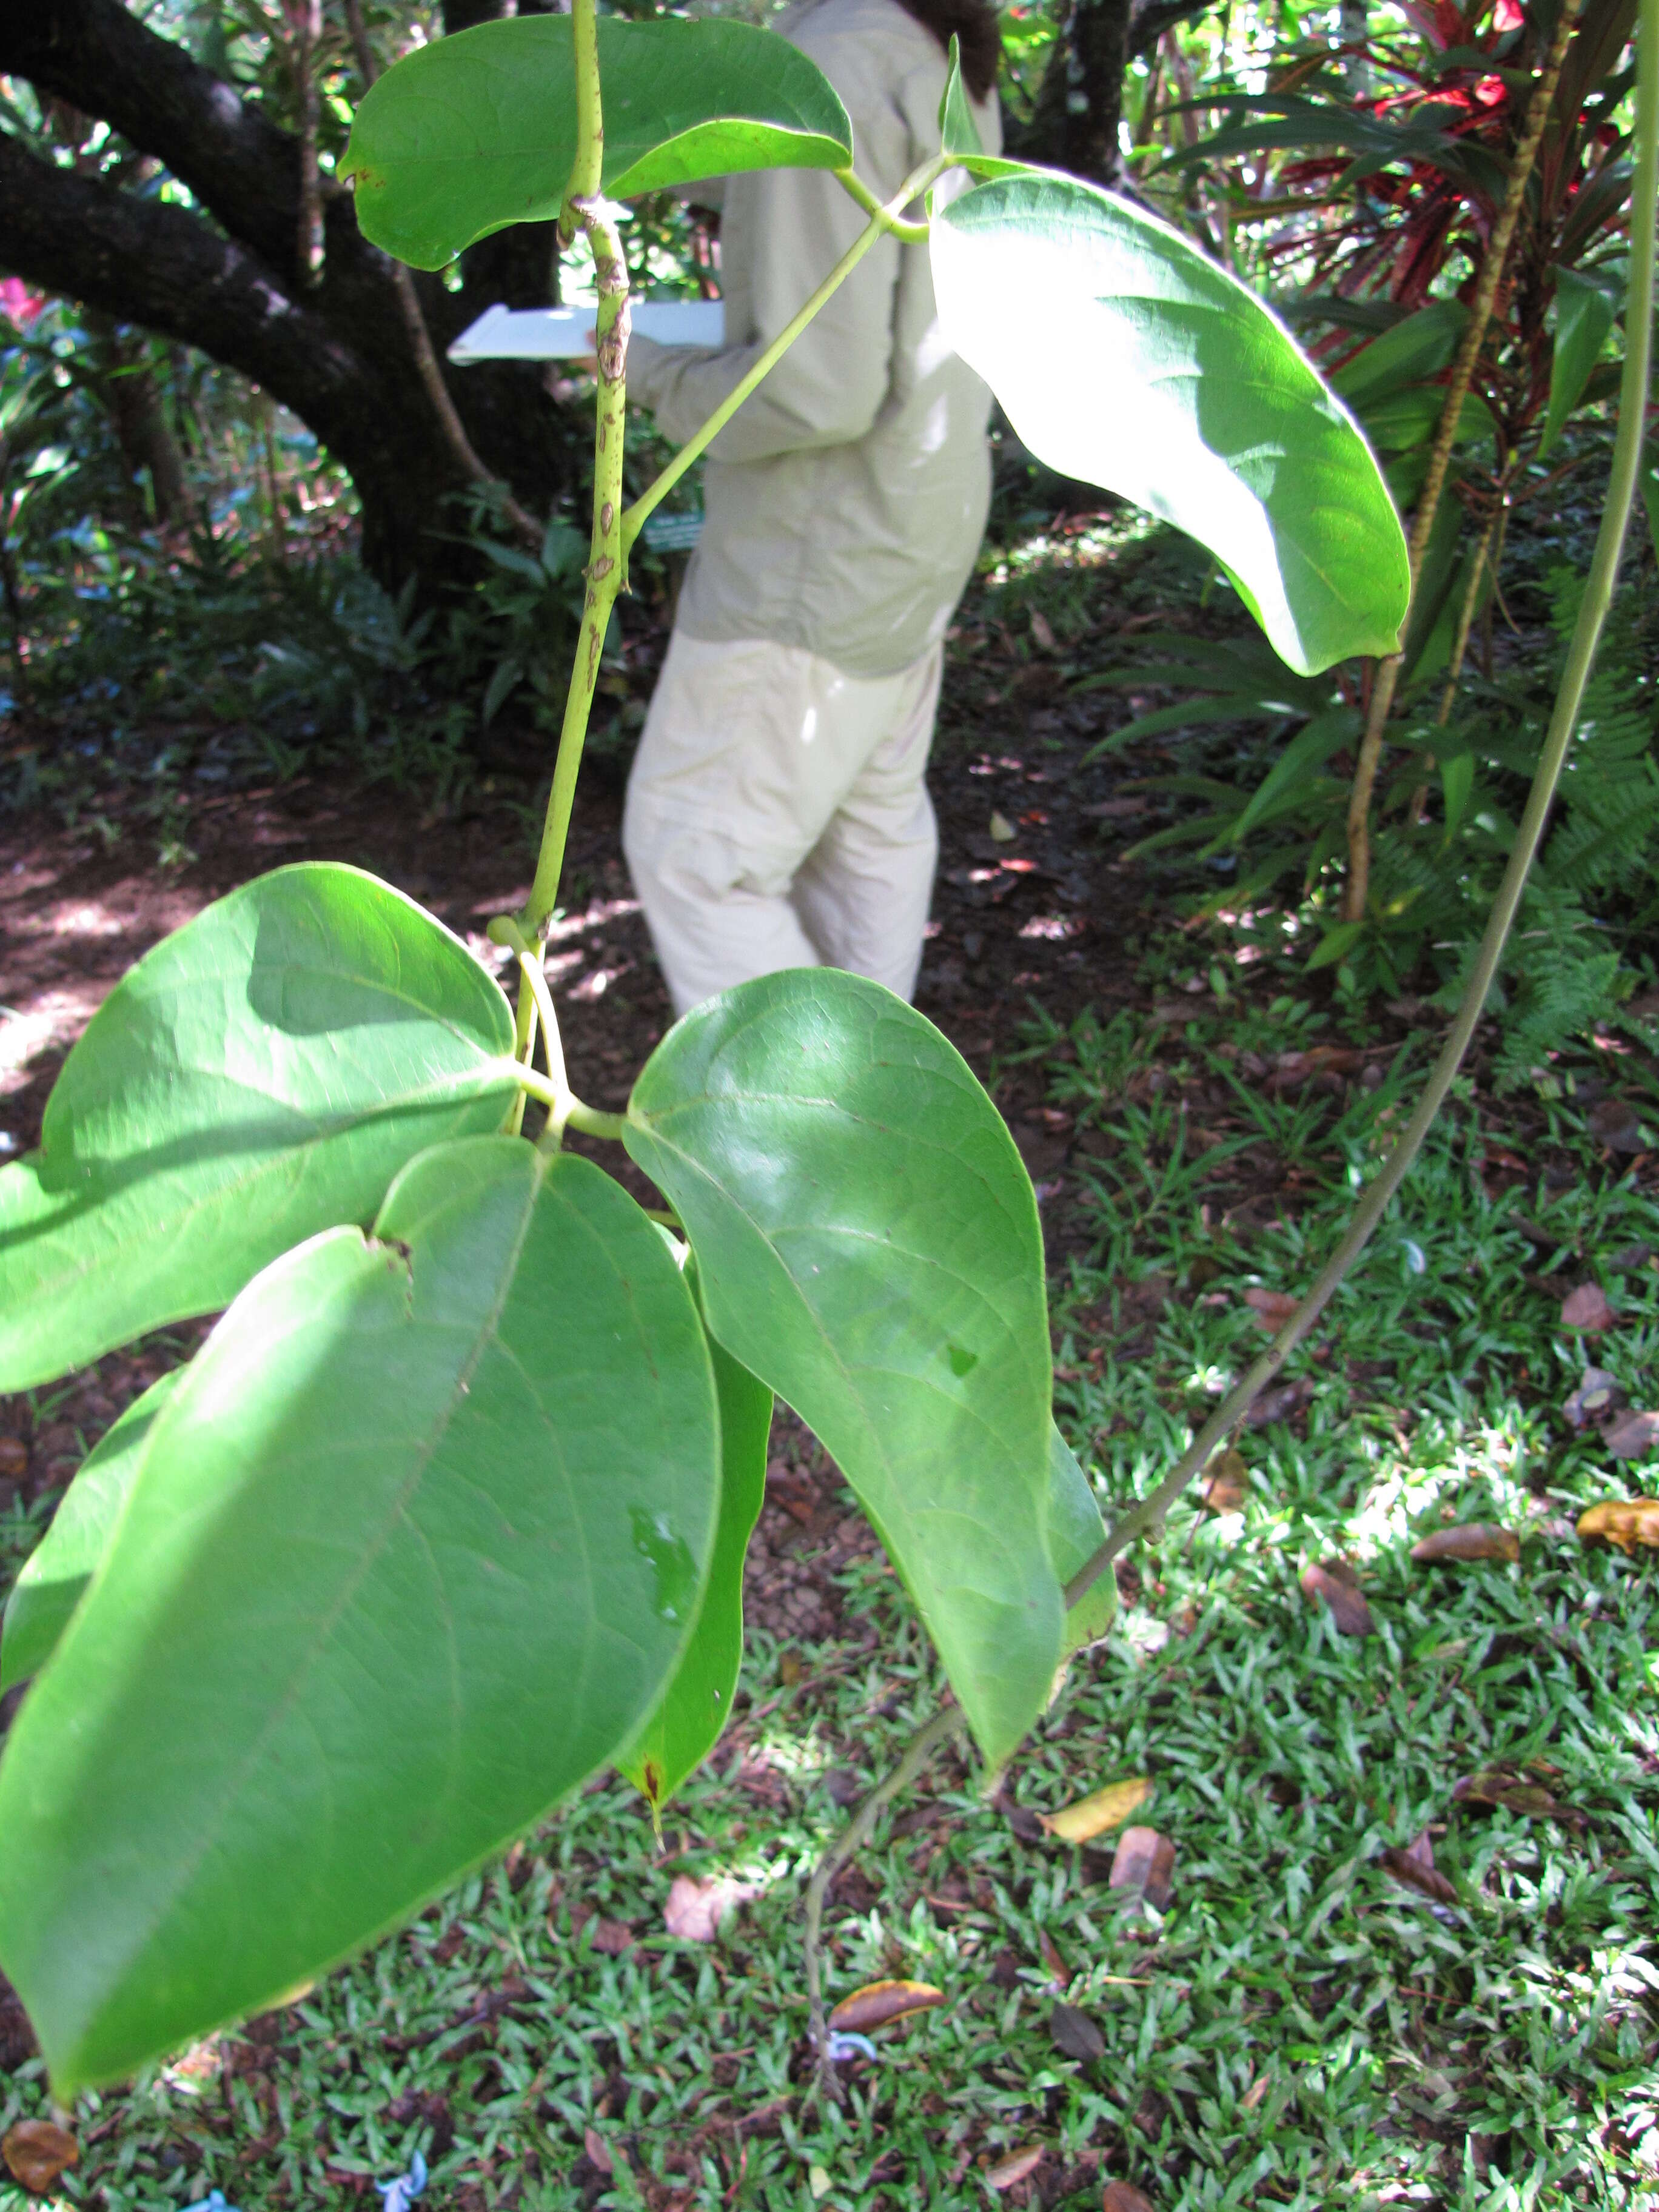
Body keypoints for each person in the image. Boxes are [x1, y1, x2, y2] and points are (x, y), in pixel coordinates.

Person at [620, 0, 1003, 1019]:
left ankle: (806, 1150)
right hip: (914, 526)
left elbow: (812, 393)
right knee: (867, 831)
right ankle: (876, 1125)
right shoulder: (933, 44)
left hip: (812, 552)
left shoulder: (832, 55)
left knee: (695, 857)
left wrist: (644, 370)